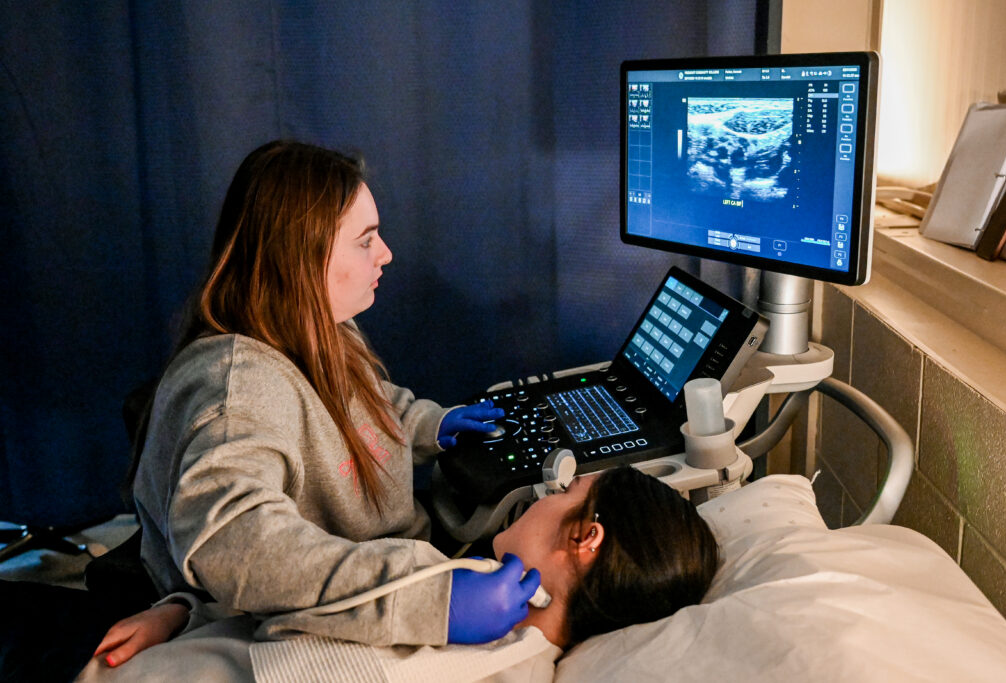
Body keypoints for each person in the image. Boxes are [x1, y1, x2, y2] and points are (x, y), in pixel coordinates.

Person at [126, 140, 536, 652]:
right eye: (365, 241)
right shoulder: (241, 387)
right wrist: (425, 603)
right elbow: (231, 541)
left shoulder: (319, 326)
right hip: (331, 607)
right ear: (300, 257)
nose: (385, 254)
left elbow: (360, 406)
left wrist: (428, 424)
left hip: (400, 553)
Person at [80, 466, 719, 681]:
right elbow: (274, 615)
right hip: (164, 644)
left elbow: (287, 649)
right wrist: (181, 611)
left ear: (585, 538)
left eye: (567, 490)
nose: (543, 494)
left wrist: (420, 591)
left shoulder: (463, 644)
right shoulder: (475, 600)